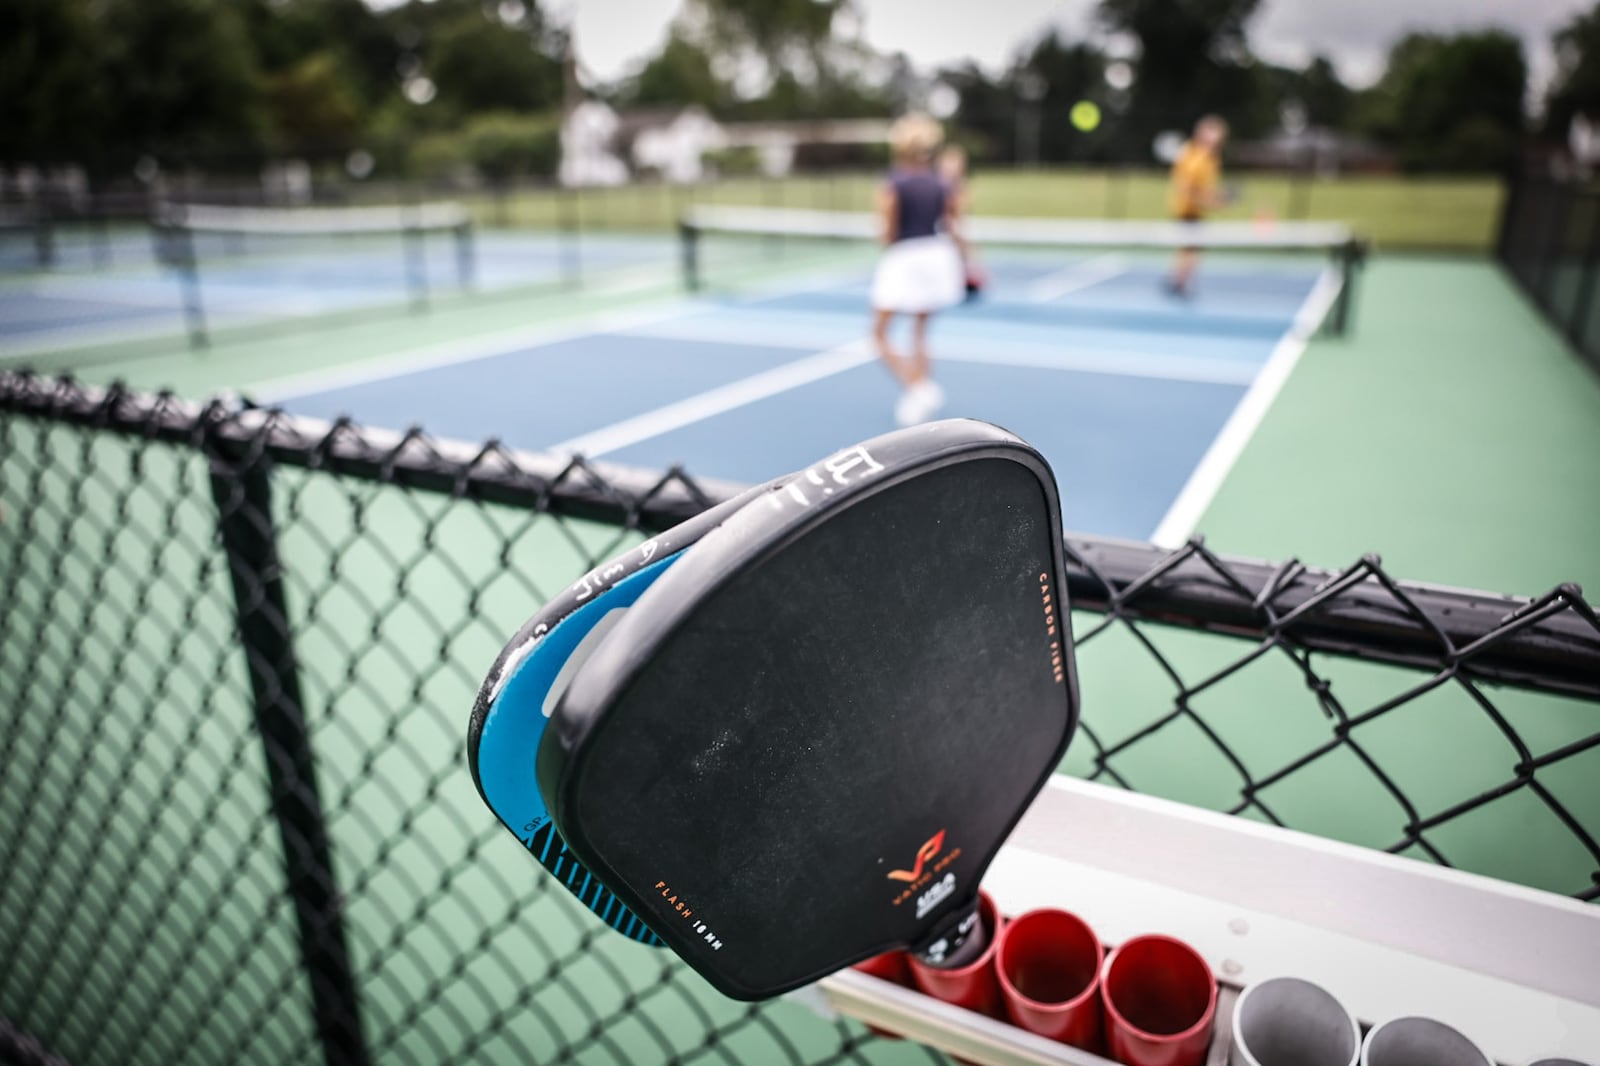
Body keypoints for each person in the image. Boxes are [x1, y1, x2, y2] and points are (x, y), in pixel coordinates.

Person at [871, 114, 966, 426]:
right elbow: (952, 224)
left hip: (906, 257)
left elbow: (887, 232)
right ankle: (919, 394)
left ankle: (918, 386)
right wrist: (965, 261)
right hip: (937, 256)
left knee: (879, 334)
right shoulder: (942, 182)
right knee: (920, 332)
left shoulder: (894, 182)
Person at [1166, 115, 1229, 297]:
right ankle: (1179, 283)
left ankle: (1179, 281)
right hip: (1187, 210)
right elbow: (1188, 189)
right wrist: (1211, 200)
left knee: (1190, 249)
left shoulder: (1210, 158)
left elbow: (1203, 189)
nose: (1216, 139)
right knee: (1191, 249)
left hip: (1194, 210)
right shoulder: (1195, 157)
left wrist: (1214, 198)